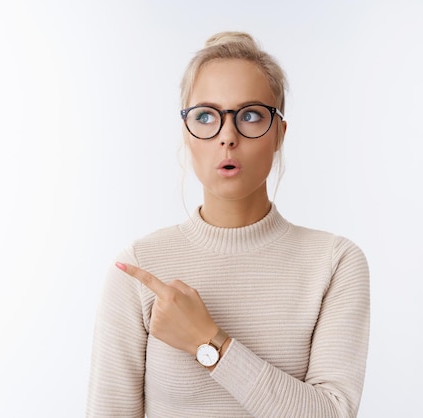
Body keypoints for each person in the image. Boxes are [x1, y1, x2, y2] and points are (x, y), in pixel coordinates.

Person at [86, 31, 370, 417]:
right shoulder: (138, 267)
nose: (228, 137)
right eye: (206, 116)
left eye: (251, 115)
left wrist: (207, 342)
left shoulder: (335, 263)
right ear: (187, 134)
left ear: (279, 135)